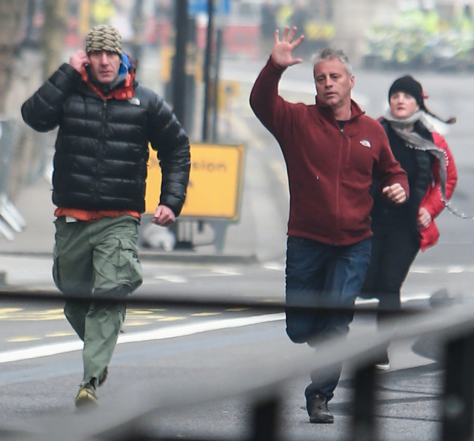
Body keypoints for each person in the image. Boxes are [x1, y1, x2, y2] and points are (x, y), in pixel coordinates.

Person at [21, 24, 190, 408]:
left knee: (111, 293)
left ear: (121, 57)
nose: (103, 61)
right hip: (72, 217)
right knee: (74, 298)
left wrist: (171, 200)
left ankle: (90, 382)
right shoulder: (69, 92)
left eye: (110, 54)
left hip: (120, 217)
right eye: (95, 53)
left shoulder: (145, 102)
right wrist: (64, 73)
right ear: (85, 58)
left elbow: (177, 148)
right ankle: (102, 345)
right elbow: (34, 116)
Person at [249, 26, 409, 424]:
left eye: (335, 76)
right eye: (321, 78)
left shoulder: (373, 131)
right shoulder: (297, 121)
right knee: (301, 327)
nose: (327, 83)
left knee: (337, 320)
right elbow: (260, 103)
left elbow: (395, 172)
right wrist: (274, 67)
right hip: (306, 240)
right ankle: (325, 345)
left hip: (354, 244)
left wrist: (398, 188)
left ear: (350, 82)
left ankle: (320, 394)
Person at [361, 75, 457, 370]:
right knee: (366, 284)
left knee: (390, 286)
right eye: (395, 95)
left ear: (418, 103)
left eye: (407, 96)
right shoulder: (373, 131)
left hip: (407, 226)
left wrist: (430, 208)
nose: (400, 100)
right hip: (370, 222)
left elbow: (448, 179)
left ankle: (380, 349)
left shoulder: (432, 141)